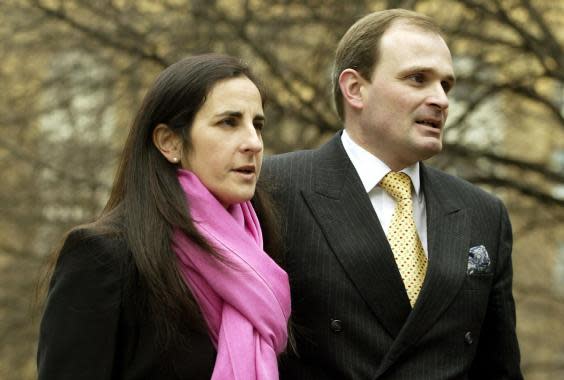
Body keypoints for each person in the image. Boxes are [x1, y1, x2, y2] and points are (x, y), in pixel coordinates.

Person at [261, 9, 523, 379]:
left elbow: (499, 369)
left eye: (446, 86)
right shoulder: (273, 188)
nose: (442, 100)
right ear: (355, 89)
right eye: (418, 79)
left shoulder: (483, 213)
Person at [37, 53, 291, 380]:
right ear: (169, 142)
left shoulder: (264, 252)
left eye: (257, 125)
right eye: (229, 122)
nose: (254, 143)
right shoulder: (104, 257)